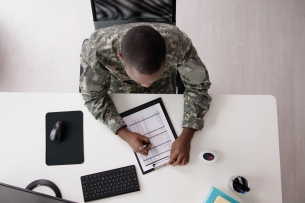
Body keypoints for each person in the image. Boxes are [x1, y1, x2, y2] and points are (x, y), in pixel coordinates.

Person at [79, 23, 212, 166]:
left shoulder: (179, 45)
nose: (147, 86)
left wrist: (187, 134)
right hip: (119, 90)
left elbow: (199, 86)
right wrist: (124, 134)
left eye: (151, 80)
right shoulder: (97, 51)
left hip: (163, 89)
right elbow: (93, 96)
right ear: (120, 57)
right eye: (141, 81)